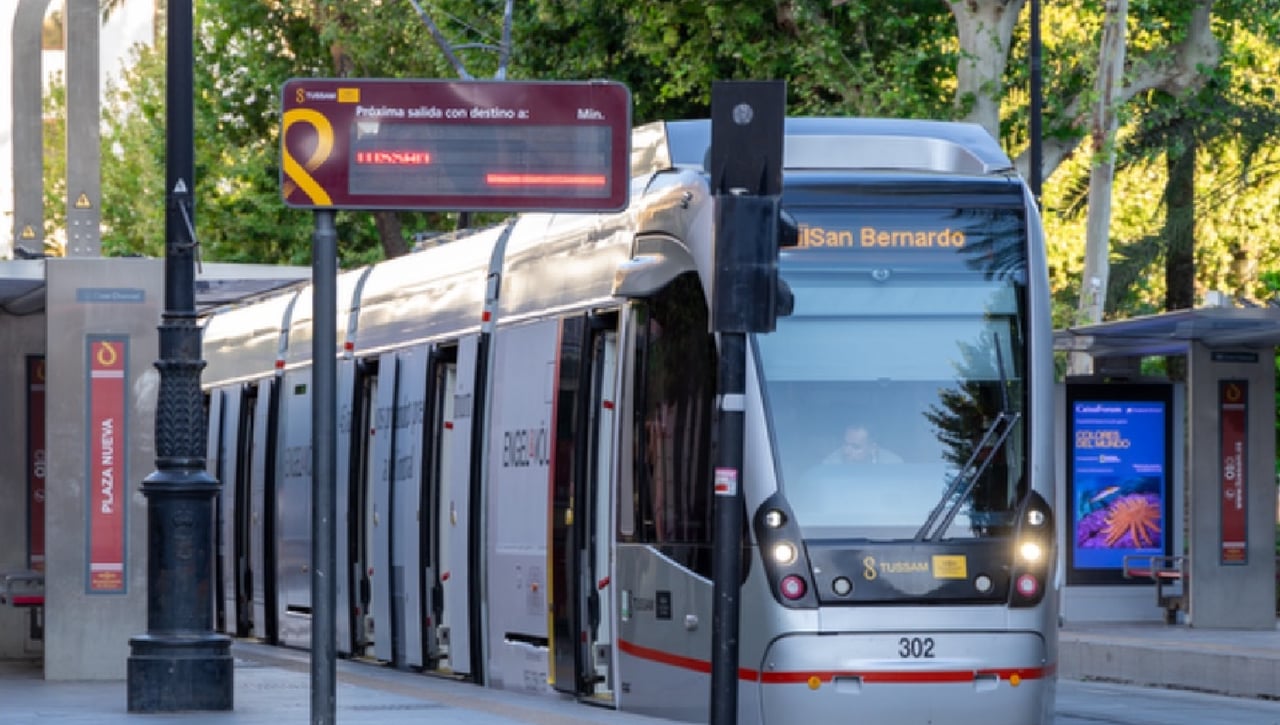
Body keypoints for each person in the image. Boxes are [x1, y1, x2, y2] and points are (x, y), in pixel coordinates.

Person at [823, 423, 903, 464]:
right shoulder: (831, 464)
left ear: (873, 448)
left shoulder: (893, 465)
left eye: (855, 447)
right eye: (845, 444)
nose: (846, 452)